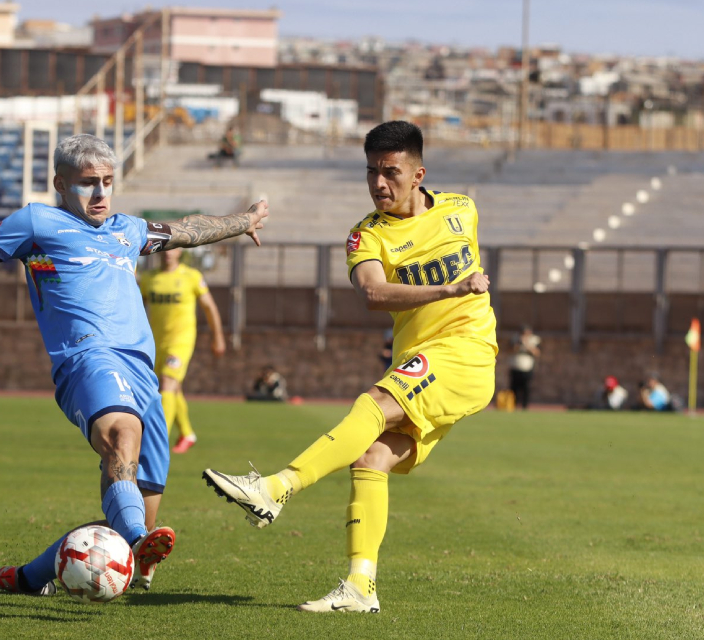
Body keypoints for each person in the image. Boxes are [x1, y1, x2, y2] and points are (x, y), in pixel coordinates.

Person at [0, 134, 267, 595]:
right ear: (61, 184)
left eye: (108, 182)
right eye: (89, 183)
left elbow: (188, 229)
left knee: (124, 522)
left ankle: (29, 576)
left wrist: (241, 221)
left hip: (142, 376)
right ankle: (137, 540)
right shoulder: (36, 223)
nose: (102, 193)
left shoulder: (126, 230)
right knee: (121, 439)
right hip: (87, 360)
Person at [203, 120, 497, 613]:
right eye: (371, 172)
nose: (380, 183)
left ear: (418, 173)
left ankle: (276, 488)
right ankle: (361, 587)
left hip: (466, 351)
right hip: (426, 362)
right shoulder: (365, 237)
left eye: (392, 172)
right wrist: (450, 288)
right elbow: (374, 293)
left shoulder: (461, 209)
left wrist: (457, 296)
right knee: (372, 459)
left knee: (377, 402)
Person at [138, 248, 227, 454]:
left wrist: (218, 337)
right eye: (166, 248)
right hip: (157, 342)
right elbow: (137, 307)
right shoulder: (149, 279)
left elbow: (210, 307)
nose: (169, 252)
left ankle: (158, 440)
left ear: (180, 252)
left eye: (174, 248)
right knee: (172, 388)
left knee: (167, 383)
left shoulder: (191, 276)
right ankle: (187, 433)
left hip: (181, 342)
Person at [509, 326, 541, 409]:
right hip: (516, 366)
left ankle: (525, 406)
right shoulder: (515, 338)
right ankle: (513, 405)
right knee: (513, 388)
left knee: (526, 388)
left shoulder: (534, 340)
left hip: (527, 367)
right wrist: (519, 343)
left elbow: (537, 352)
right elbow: (511, 349)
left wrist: (526, 344)